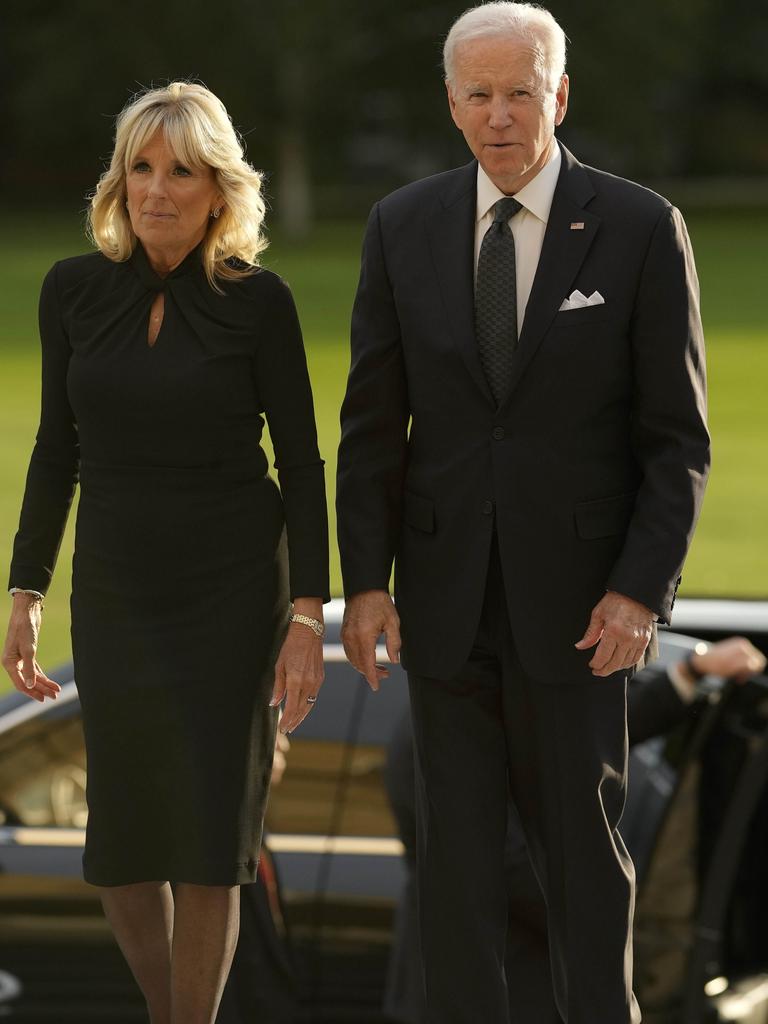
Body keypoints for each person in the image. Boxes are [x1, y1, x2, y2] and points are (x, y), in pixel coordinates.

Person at [336, 4, 710, 1022]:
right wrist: (365, 584)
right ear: (451, 103)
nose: (500, 116)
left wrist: (640, 592)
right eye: (478, 95)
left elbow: (677, 442)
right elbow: (372, 428)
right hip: (444, 607)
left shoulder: (638, 227)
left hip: (582, 614)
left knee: (586, 870)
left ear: (560, 94)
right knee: (455, 882)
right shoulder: (400, 225)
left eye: (520, 92)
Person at [1, 82, 329, 1024]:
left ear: (218, 188)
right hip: (116, 588)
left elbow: (302, 462)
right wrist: (26, 587)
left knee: (208, 841)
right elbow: (54, 448)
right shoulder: (72, 290)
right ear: (118, 181)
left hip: (233, 591)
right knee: (123, 846)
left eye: (180, 171)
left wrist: (309, 613)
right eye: (140, 167)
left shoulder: (259, 302)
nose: (155, 189)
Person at [382, 637, 766, 1024]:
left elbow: (589, 739)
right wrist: (615, 912)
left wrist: (689, 673)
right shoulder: (438, 733)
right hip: (492, 984)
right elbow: (503, 863)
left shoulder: (486, 699)